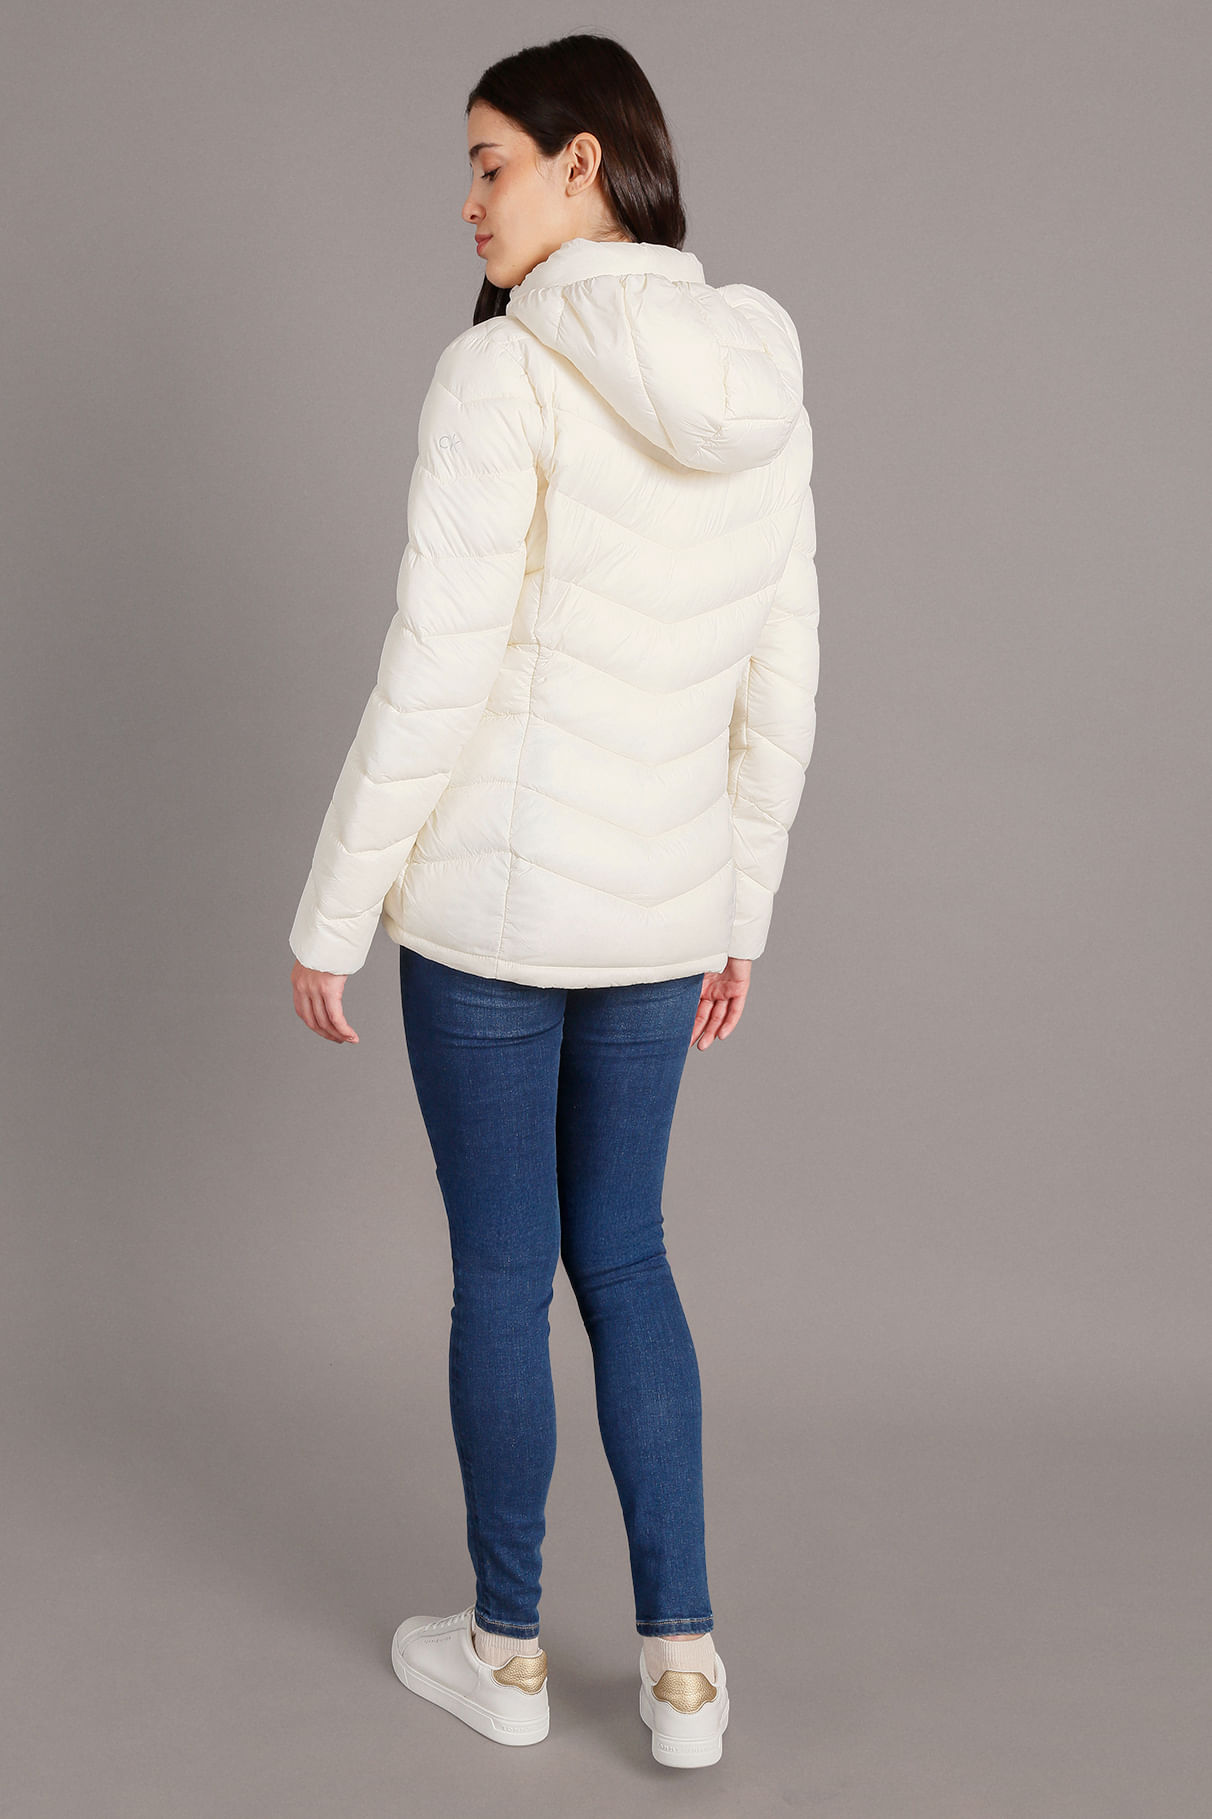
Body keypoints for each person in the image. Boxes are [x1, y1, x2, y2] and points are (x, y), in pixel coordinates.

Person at [288, 32, 818, 1769]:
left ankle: (504, 1653)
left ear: (584, 162)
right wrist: (739, 907)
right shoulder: (762, 369)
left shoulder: (499, 373)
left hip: (494, 928)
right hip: (662, 921)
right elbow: (782, 682)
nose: (467, 203)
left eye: (490, 162)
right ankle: (686, 1672)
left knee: (505, 1275)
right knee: (631, 1259)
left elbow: (432, 673)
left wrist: (331, 911)